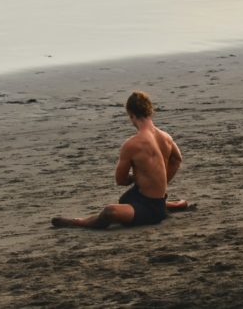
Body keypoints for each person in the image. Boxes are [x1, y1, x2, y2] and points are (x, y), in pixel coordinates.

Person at [51, 91, 189, 229]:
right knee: (127, 199)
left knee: (110, 212)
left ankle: (78, 222)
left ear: (131, 115)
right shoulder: (166, 137)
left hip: (150, 209)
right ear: (150, 111)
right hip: (154, 198)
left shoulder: (132, 144)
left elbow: (120, 180)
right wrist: (159, 182)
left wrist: (138, 178)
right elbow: (177, 159)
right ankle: (171, 204)